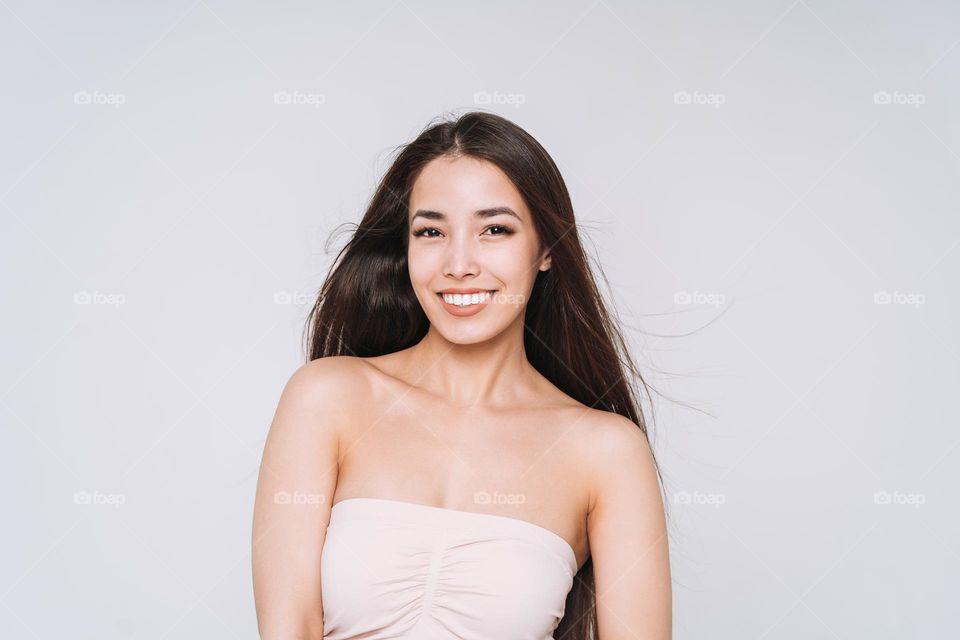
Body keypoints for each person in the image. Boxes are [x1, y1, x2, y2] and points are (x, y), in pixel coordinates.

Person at [252, 111, 671, 639]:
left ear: (545, 250)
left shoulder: (606, 451)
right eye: (431, 231)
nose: (459, 264)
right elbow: (288, 629)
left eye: (494, 229)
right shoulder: (327, 398)